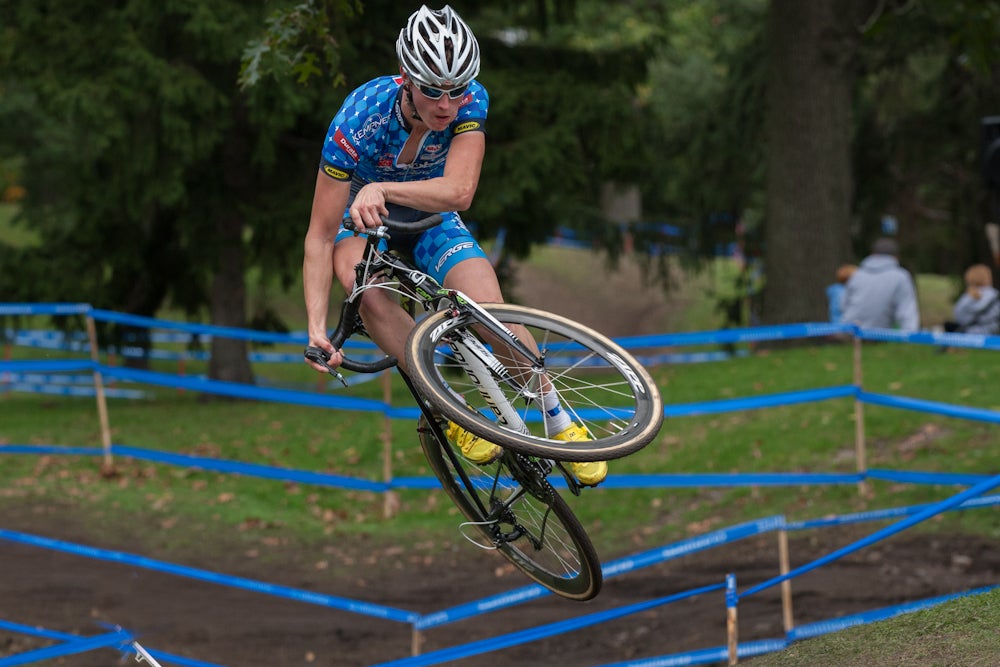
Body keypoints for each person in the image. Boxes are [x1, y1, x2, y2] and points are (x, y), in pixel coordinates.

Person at [301, 5, 606, 486]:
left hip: (430, 216)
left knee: (491, 312)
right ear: (406, 77)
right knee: (367, 293)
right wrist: (317, 328)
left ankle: (556, 414)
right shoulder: (359, 119)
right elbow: (320, 236)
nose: (446, 105)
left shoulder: (472, 102)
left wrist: (384, 187)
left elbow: (460, 191)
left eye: (457, 90)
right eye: (432, 90)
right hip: (360, 221)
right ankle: (451, 406)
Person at [841, 237, 920, 331]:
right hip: (877, 334)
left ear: (872, 255)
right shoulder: (900, 277)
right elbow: (907, 312)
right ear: (896, 257)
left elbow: (843, 305)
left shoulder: (857, 274)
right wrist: (910, 334)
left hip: (848, 330)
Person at [944, 264, 1000, 335]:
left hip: (967, 334)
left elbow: (958, 316)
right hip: (990, 335)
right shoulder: (995, 296)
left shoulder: (966, 297)